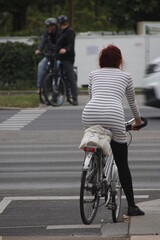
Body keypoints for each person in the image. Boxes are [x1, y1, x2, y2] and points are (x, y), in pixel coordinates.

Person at [82, 44, 145, 216]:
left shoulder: (93, 74)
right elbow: (132, 103)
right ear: (119, 60)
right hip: (114, 116)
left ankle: (92, 168)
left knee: (92, 138)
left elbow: (92, 97)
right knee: (122, 163)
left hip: (90, 113)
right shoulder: (126, 76)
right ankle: (132, 206)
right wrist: (138, 122)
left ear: (101, 60)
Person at [56, 15, 78, 106]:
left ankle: (75, 98)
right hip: (59, 57)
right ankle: (65, 95)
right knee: (59, 75)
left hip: (67, 58)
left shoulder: (70, 31)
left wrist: (66, 49)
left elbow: (71, 44)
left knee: (70, 77)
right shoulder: (61, 32)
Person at [35, 18, 60, 92]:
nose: (47, 28)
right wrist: (39, 49)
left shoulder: (59, 33)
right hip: (49, 55)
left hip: (58, 56)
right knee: (41, 65)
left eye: (48, 26)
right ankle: (40, 87)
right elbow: (43, 41)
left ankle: (57, 84)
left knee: (58, 66)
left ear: (54, 26)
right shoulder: (47, 33)